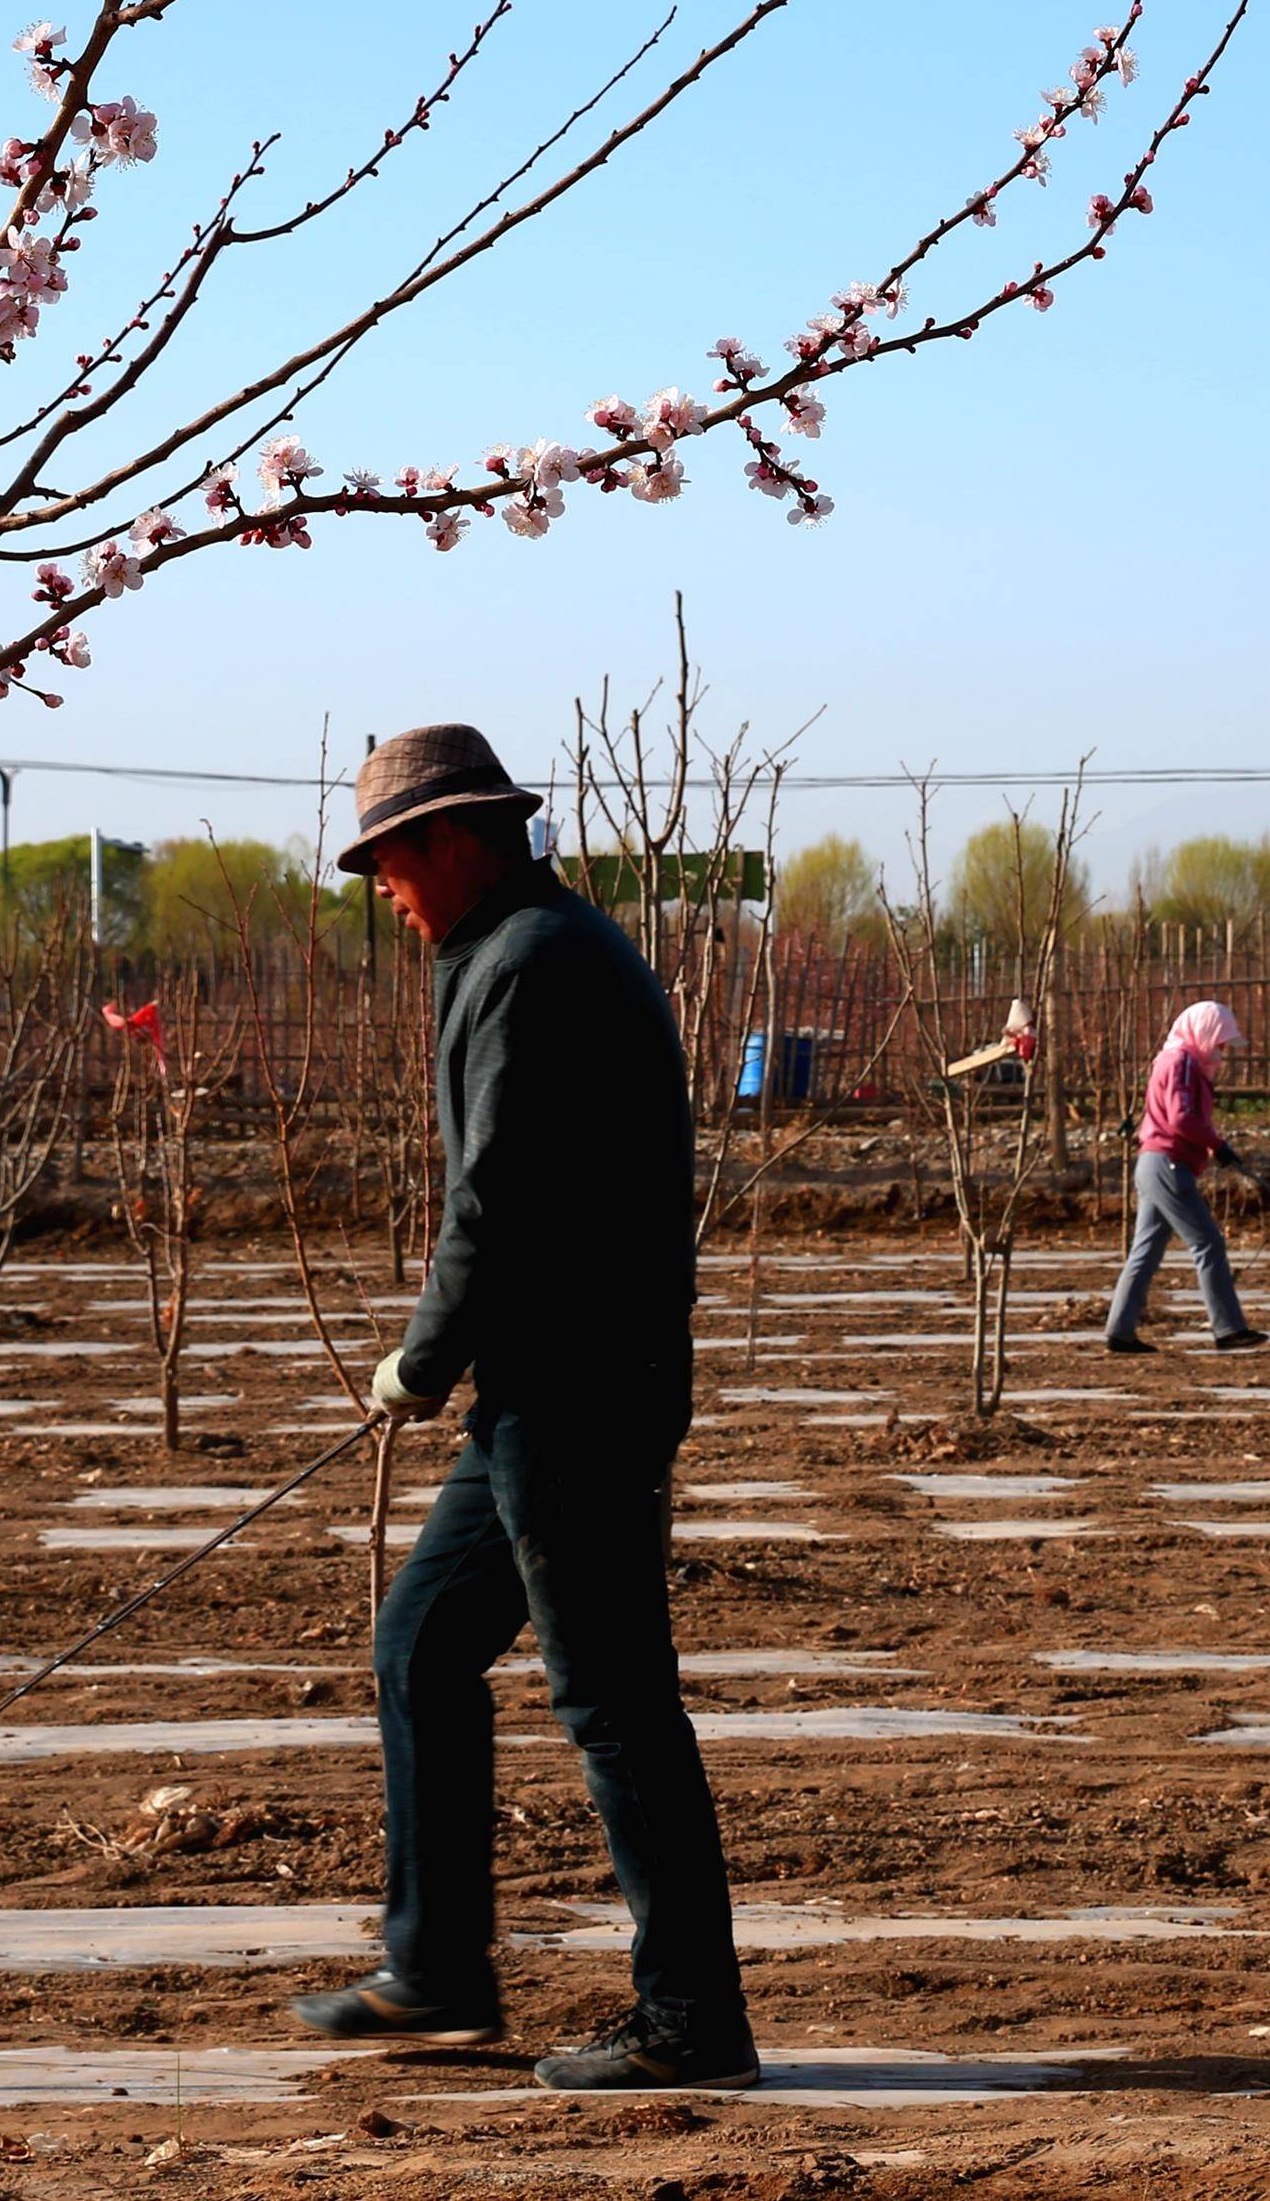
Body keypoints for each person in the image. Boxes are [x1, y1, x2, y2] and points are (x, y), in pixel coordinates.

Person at [287, 723, 756, 2092]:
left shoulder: (534, 963)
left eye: (390, 857)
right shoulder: (513, 950)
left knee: (613, 1702)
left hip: (578, 1397)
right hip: (539, 1393)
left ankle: (692, 2018)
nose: (382, 884)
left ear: (458, 837)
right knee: (422, 1645)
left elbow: (498, 1197)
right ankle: (436, 1967)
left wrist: (420, 1358)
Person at [1101, 999, 1266, 1353]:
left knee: (1145, 1252)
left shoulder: (1176, 1060)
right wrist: (1216, 1145)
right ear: (1203, 1033)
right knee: (1207, 1243)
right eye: (1220, 1041)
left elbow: (1182, 1117)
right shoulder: (1182, 1063)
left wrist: (1211, 1146)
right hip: (1167, 1165)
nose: (1222, 1050)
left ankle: (1120, 1331)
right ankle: (1228, 1329)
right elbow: (1180, 1118)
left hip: (1154, 1163)